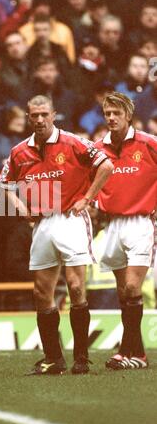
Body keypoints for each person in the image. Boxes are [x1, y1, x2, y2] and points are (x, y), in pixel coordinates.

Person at [0, 94, 113, 375]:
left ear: (53, 114)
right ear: (28, 117)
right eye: (34, 115)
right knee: (41, 292)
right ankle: (53, 359)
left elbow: (107, 166)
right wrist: (20, 207)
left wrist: (87, 198)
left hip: (71, 219)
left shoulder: (73, 142)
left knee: (75, 288)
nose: (39, 119)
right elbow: (4, 183)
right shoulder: (19, 151)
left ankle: (82, 358)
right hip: (42, 224)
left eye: (44, 114)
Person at [94, 91, 157, 370]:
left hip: (141, 222)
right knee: (123, 293)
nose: (111, 118)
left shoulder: (149, 143)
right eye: (107, 113)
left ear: (128, 115)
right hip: (113, 224)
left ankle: (132, 353)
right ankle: (133, 352)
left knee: (133, 286)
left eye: (116, 113)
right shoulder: (97, 148)